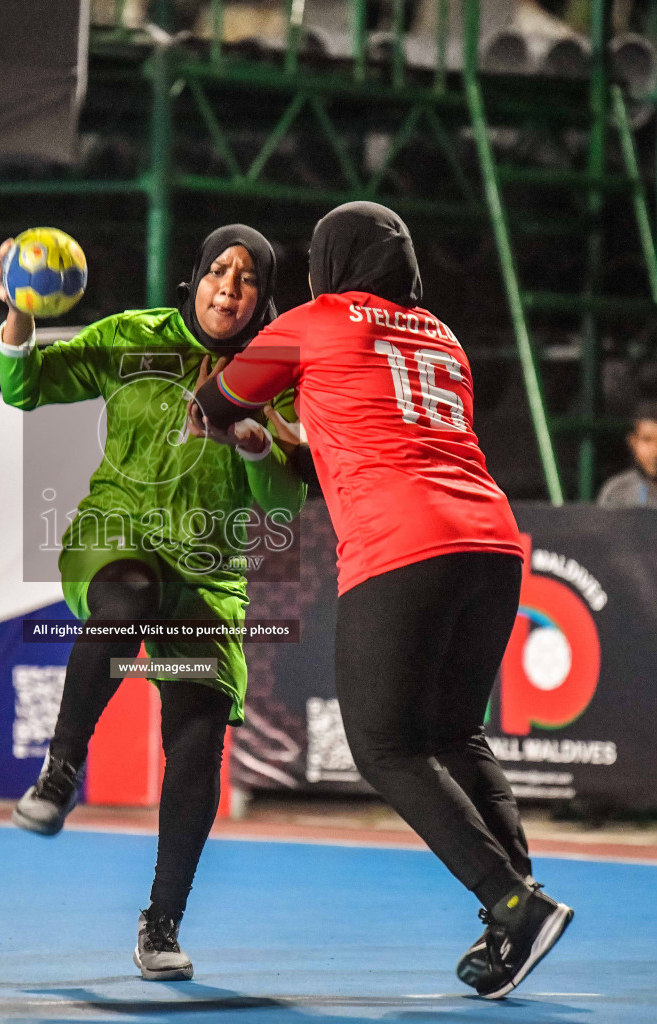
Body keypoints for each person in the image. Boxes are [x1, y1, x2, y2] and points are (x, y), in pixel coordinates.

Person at [191, 202, 572, 1000]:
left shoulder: (313, 321)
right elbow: (372, 427)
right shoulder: (442, 336)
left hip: (403, 545)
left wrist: (232, 402)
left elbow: (218, 407)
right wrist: (288, 437)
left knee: (387, 746)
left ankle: (513, 904)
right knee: (454, 732)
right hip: (493, 540)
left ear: (330, 263)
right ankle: (514, 909)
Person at [0, 226, 305, 981]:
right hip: (114, 537)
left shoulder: (280, 373)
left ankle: (161, 925)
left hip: (208, 573)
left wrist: (255, 443)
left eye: (248, 278)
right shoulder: (133, 337)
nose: (229, 288)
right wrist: (18, 313)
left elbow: (284, 501)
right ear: (194, 278)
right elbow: (24, 386)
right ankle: (62, 770)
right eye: (217, 272)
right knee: (125, 601)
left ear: (264, 295)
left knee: (197, 738)